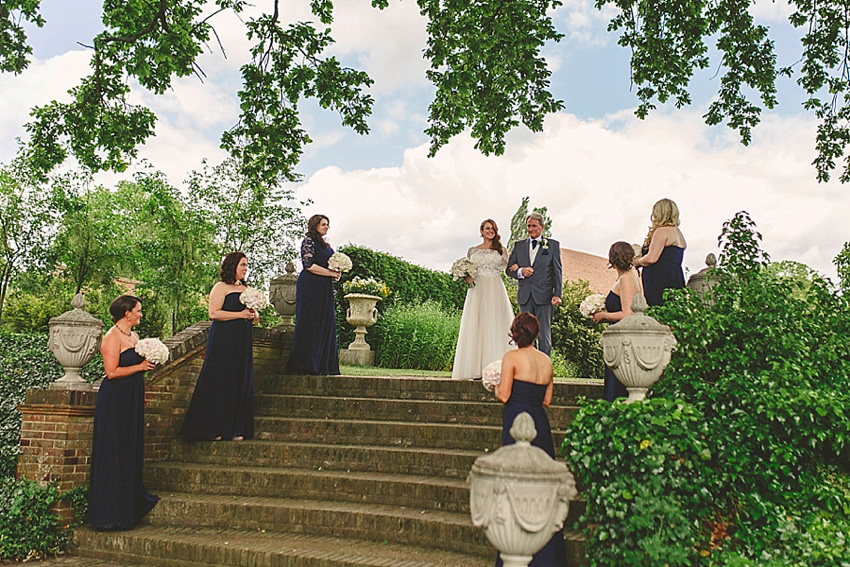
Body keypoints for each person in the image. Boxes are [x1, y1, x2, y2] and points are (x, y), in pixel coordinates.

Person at [493, 313, 567, 567]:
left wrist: (492, 385)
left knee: (516, 482)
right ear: (536, 333)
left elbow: (504, 395)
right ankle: (548, 555)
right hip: (539, 423)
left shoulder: (511, 358)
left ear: (515, 331)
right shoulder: (546, 361)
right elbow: (547, 400)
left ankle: (516, 546)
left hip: (517, 419)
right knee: (541, 485)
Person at [88, 295, 160, 530]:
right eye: (138, 310)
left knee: (129, 446)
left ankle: (127, 507)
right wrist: (139, 366)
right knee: (114, 447)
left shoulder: (134, 336)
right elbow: (111, 372)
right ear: (127, 313)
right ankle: (109, 514)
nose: (141, 314)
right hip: (115, 399)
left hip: (132, 397)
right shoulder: (112, 337)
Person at [181, 252, 258, 441]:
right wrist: (239, 315)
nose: (245, 269)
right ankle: (213, 428)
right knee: (221, 377)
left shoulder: (247, 289)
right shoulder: (221, 287)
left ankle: (236, 428)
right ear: (232, 266)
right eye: (242, 265)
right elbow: (214, 313)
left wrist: (253, 315)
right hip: (224, 338)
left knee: (240, 378)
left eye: (246, 265)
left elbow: (255, 318)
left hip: (243, 339)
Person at [451, 219, 516, 380]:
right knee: (477, 325)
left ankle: (498, 368)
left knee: (496, 325)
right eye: (487, 228)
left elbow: (508, 271)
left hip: (495, 289)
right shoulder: (472, 251)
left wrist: (517, 269)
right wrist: (466, 276)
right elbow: (470, 272)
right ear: (481, 231)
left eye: (493, 228)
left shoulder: (501, 250)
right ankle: (475, 369)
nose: (490, 231)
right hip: (478, 291)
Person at [285, 214, 341, 375]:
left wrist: (336, 272)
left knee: (325, 322)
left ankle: (324, 364)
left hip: (324, 287)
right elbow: (308, 265)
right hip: (311, 285)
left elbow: (331, 264)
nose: (326, 227)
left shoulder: (327, 245)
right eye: (323, 224)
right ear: (315, 225)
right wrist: (329, 273)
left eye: (328, 224)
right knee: (310, 321)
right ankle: (304, 364)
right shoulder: (308, 241)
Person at [505, 212, 562, 356]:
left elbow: (557, 271)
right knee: (525, 334)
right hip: (525, 296)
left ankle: (544, 369)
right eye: (528, 226)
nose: (531, 229)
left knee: (544, 335)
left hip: (544, 296)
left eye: (534, 226)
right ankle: (527, 368)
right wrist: (520, 271)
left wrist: (557, 294)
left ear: (542, 227)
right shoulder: (519, 246)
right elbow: (509, 269)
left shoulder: (552, 245)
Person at [593, 241, 642, 402]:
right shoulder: (633, 273)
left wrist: (604, 316)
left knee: (617, 384)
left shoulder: (626, 278)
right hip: (623, 335)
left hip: (622, 338)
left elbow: (628, 313)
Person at [633, 198, 686, 306]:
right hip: (675, 276)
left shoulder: (662, 231)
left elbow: (652, 258)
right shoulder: (679, 233)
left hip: (660, 279)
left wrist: (637, 261)